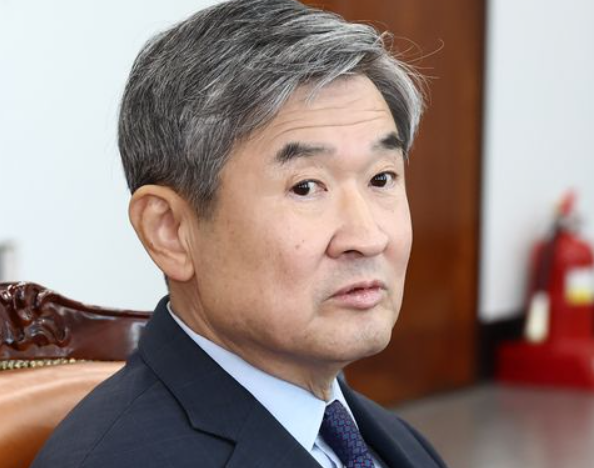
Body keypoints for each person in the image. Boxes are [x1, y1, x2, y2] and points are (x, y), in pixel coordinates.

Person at [32, 0, 447, 467]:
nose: (368, 237)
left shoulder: (393, 441)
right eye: (306, 187)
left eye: (381, 178)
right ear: (170, 231)